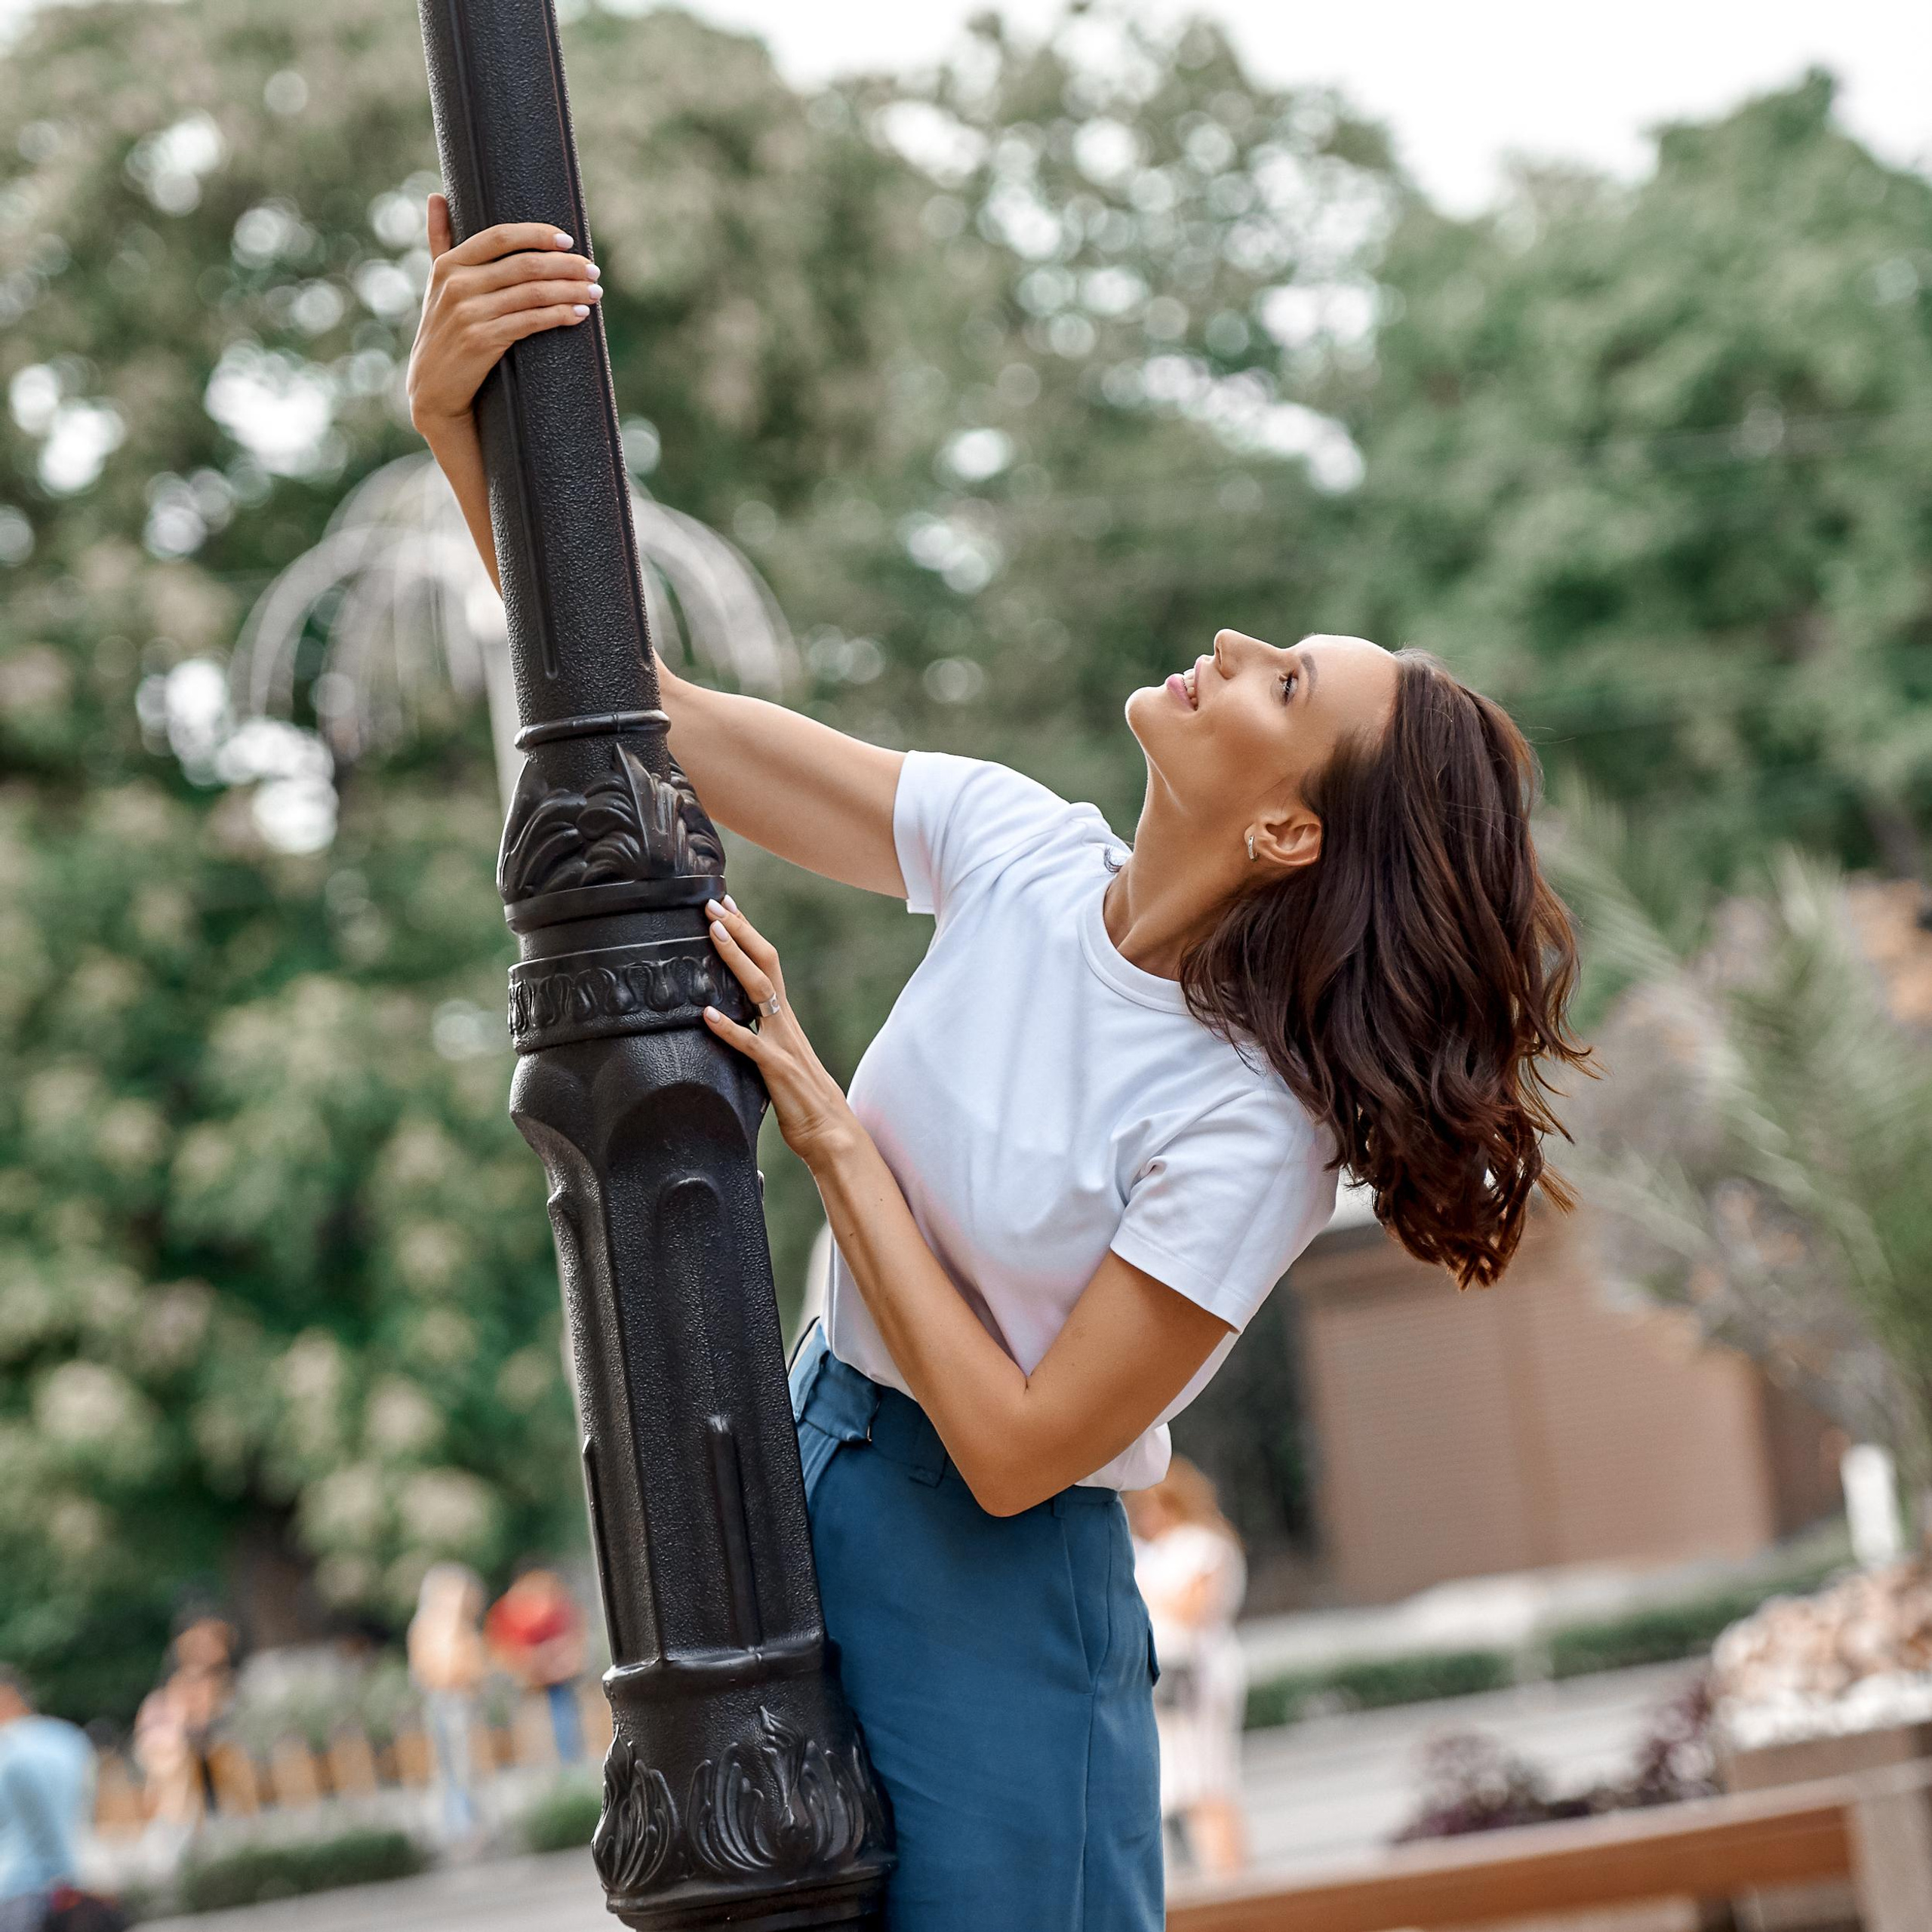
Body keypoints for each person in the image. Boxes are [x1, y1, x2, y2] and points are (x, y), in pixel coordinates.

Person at [409, 207, 1589, 1932]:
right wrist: (456, 425)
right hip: (800, 1456)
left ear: (1280, 822)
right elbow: (642, 710)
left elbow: (1024, 1444)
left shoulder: (1246, 1121)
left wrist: (831, 1134)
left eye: (1281, 681)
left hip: (993, 1589)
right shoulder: (1012, 842)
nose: (1236, 643)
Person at [1126, 1458, 1251, 1878]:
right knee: (1183, 1787)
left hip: (1196, 1675)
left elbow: (1195, 1609)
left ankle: (1231, 1878)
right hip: (1163, 1682)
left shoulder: (1202, 1544)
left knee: (1210, 1782)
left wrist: (1145, 1594)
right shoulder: (1153, 1551)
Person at [0, 1669, 95, 1932]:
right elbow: (86, 1807)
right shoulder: (71, 1739)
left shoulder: (7, 1750)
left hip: (14, 1888)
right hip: (67, 1884)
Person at [406, 1564, 488, 1844]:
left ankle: (469, 1823)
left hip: (462, 1700)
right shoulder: (431, 1627)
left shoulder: (461, 1628)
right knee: (452, 1767)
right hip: (445, 1701)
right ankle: (458, 1826)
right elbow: (432, 1671)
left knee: (467, 1767)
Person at [485, 1569, 586, 1764]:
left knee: (565, 1725)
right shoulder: (510, 1611)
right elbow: (503, 1649)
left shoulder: (558, 1608)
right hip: (526, 1684)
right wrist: (531, 1661)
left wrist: (559, 1657)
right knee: (534, 1731)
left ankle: (569, 1768)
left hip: (557, 1681)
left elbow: (573, 1640)